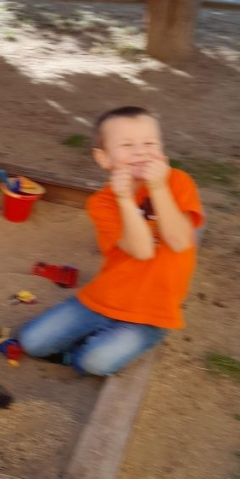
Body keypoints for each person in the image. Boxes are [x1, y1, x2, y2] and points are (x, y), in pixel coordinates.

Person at [18, 107, 204, 376]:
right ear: (103, 158)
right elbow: (142, 250)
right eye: (127, 145)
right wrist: (125, 199)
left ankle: (84, 350)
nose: (140, 152)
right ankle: (91, 342)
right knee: (31, 342)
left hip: (152, 312)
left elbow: (179, 241)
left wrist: (158, 188)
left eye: (149, 144)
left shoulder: (178, 182)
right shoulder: (102, 203)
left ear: (162, 151)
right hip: (105, 297)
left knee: (94, 362)